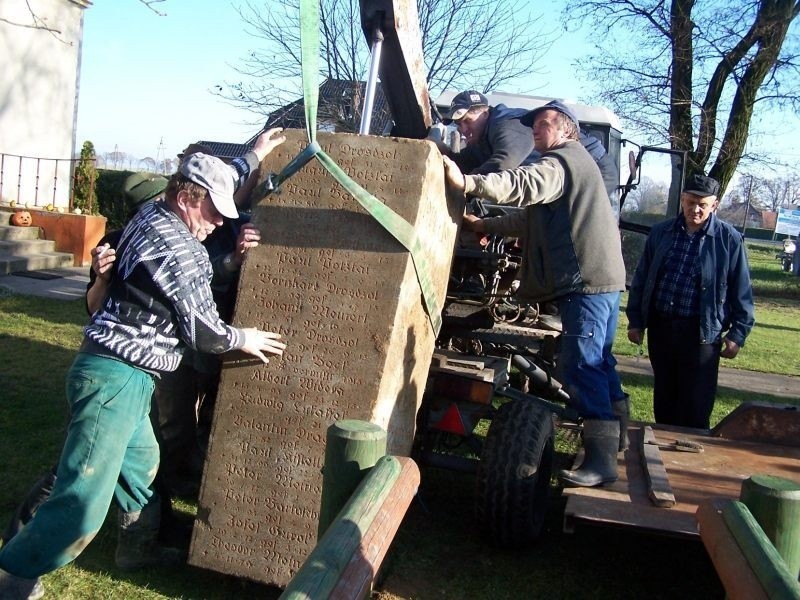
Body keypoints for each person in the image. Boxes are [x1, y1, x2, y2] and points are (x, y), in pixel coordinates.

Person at [0, 151, 287, 600]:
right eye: (214, 211)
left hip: (128, 380)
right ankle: (15, 576)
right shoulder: (178, 248)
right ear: (189, 199)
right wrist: (244, 337)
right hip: (114, 381)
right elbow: (202, 331)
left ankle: (137, 549)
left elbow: (223, 173)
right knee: (83, 499)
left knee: (140, 470)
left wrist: (257, 153)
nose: (218, 222)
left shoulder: (154, 212)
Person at [442, 100, 628, 488]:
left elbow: (523, 185)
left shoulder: (562, 162)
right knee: (602, 362)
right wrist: (484, 223)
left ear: (566, 130)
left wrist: (469, 182)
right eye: (534, 126)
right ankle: (617, 437)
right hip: (603, 280)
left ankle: (600, 461)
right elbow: (531, 218)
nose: (536, 131)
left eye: (543, 124)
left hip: (586, 282)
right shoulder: (574, 166)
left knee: (582, 364)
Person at [626, 174, 755, 429]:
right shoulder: (661, 233)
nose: (695, 209)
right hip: (662, 328)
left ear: (714, 205)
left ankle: (690, 452)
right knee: (665, 396)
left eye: (702, 205)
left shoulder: (728, 240)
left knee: (695, 403)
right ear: (682, 200)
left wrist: (738, 334)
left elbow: (742, 290)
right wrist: (636, 321)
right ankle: (662, 453)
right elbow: (642, 278)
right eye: (690, 202)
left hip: (701, 334)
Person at [432, 93, 619, 212]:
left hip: (595, 167)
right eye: (458, 124)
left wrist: (462, 187)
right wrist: (442, 152)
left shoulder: (506, 125)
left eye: (467, 121)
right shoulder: (481, 140)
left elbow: (503, 165)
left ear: (486, 114)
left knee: (564, 220)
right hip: (561, 172)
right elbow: (464, 163)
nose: (462, 129)